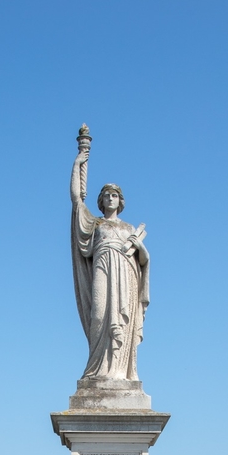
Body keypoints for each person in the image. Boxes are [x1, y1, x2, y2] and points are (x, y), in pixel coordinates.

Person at [70, 135, 150, 383]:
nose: (110, 199)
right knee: (99, 315)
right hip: (103, 267)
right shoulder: (95, 225)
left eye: (114, 195)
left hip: (126, 274)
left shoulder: (128, 228)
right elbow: (76, 201)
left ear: (120, 200)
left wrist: (140, 247)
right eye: (106, 196)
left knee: (122, 323)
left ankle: (120, 371)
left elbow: (144, 261)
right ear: (101, 200)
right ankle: (97, 370)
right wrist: (78, 164)